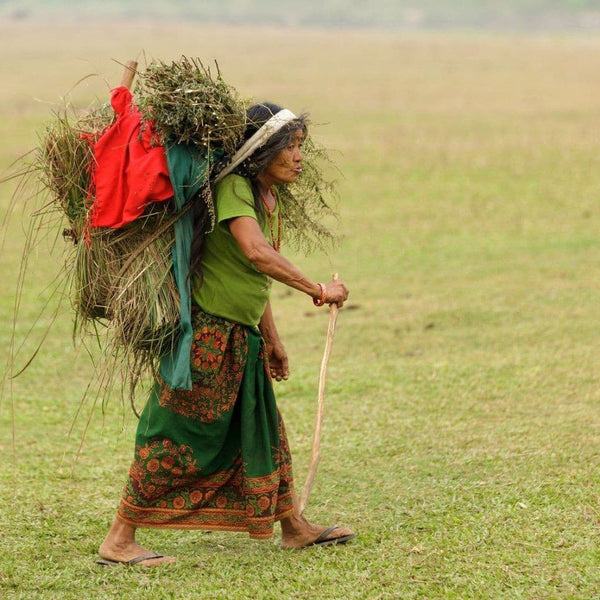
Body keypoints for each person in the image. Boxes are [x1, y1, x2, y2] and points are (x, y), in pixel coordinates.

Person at [97, 102, 355, 566]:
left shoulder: (266, 198)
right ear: (262, 150)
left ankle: (293, 526)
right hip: (207, 335)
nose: (298, 157)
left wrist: (272, 339)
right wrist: (318, 289)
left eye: (300, 146)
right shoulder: (235, 187)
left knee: (263, 430)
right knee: (172, 431)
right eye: (289, 147)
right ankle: (119, 539)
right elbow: (256, 254)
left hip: (241, 336)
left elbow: (250, 278)